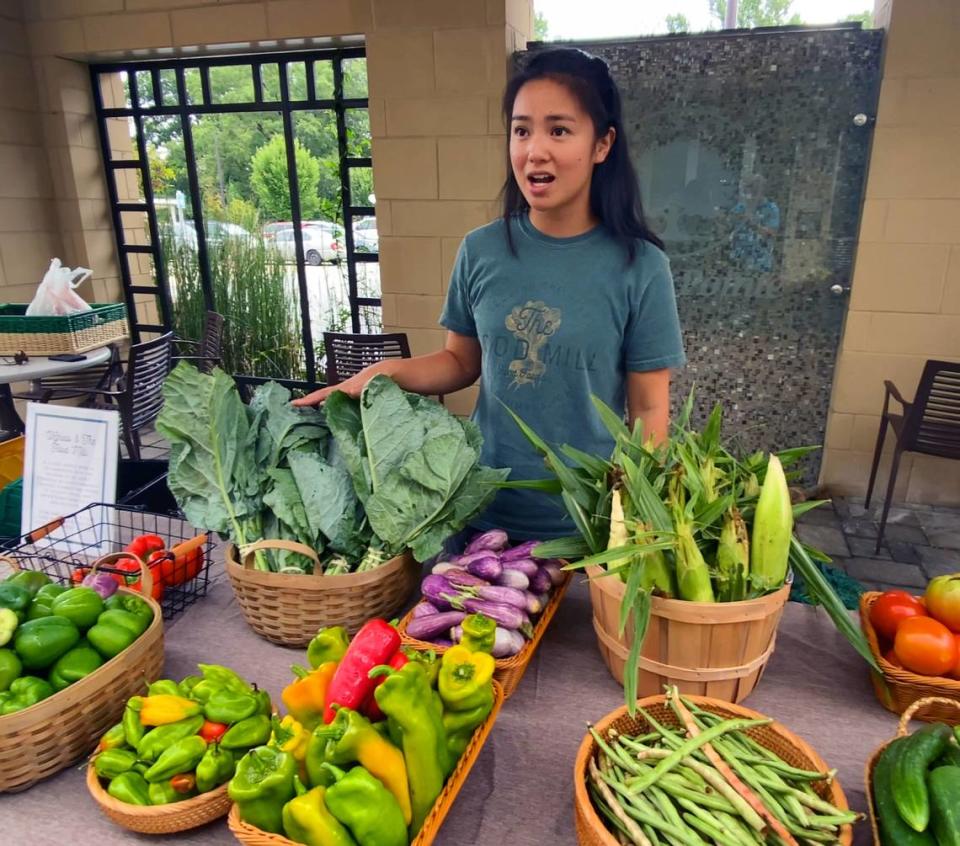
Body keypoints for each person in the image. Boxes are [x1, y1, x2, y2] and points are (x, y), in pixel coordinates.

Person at [295, 47, 686, 542]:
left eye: (558, 130)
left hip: (586, 530)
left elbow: (650, 410)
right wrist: (375, 379)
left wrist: (636, 521)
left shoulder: (641, 267)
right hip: (477, 514)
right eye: (521, 130)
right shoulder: (482, 250)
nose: (534, 150)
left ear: (602, 144)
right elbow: (460, 362)